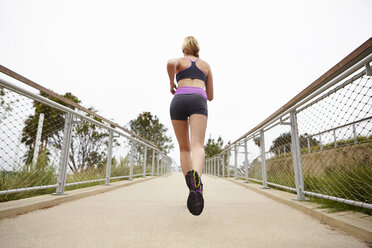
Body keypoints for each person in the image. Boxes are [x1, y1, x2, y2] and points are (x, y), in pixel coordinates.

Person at [167, 36, 213, 215]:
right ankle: (197, 185)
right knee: (197, 145)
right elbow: (210, 96)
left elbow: (170, 62)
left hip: (178, 99)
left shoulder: (180, 61)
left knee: (184, 148)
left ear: (184, 48)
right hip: (198, 100)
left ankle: (191, 189)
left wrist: (172, 82)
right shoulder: (206, 66)